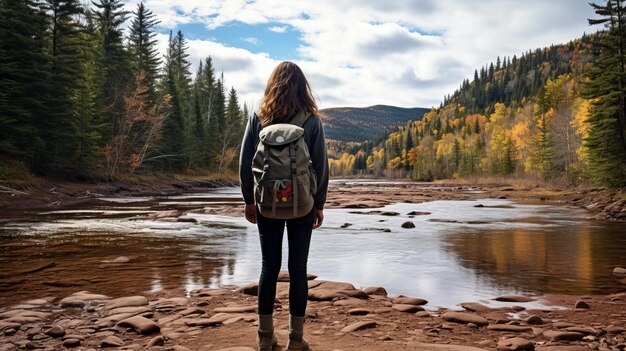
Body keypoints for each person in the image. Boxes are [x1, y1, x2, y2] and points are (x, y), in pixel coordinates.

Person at [239, 61, 329, 351]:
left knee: (269, 266)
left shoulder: (258, 118)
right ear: (303, 87)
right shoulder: (311, 120)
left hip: (266, 202)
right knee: (298, 268)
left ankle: (265, 339)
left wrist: (248, 201)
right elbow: (322, 166)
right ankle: (296, 339)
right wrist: (319, 204)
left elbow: (244, 163)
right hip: (302, 202)